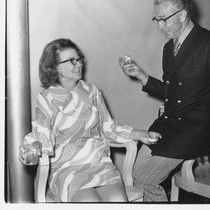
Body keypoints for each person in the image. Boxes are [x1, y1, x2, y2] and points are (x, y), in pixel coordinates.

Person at [120, 0, 210, 201]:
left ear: (182, 15)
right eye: (157, 20)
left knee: (142, 179)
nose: (160, 26)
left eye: (164, 19)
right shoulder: (168, 49)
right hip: (169, 126)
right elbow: (171, 92)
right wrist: (141, 76)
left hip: (196, 132)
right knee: (130, 176)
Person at [19, 38, 161, 202]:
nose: (79, 64)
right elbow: (42, 135)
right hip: (67, 168)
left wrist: (139, 134)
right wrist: (32, 147)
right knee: (90, 202)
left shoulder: (92, 91)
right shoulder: (47, 97)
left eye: (78, 59)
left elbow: (108, 127)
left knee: (118, 200)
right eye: (72, 61)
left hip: (99, 162)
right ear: (55, 68)